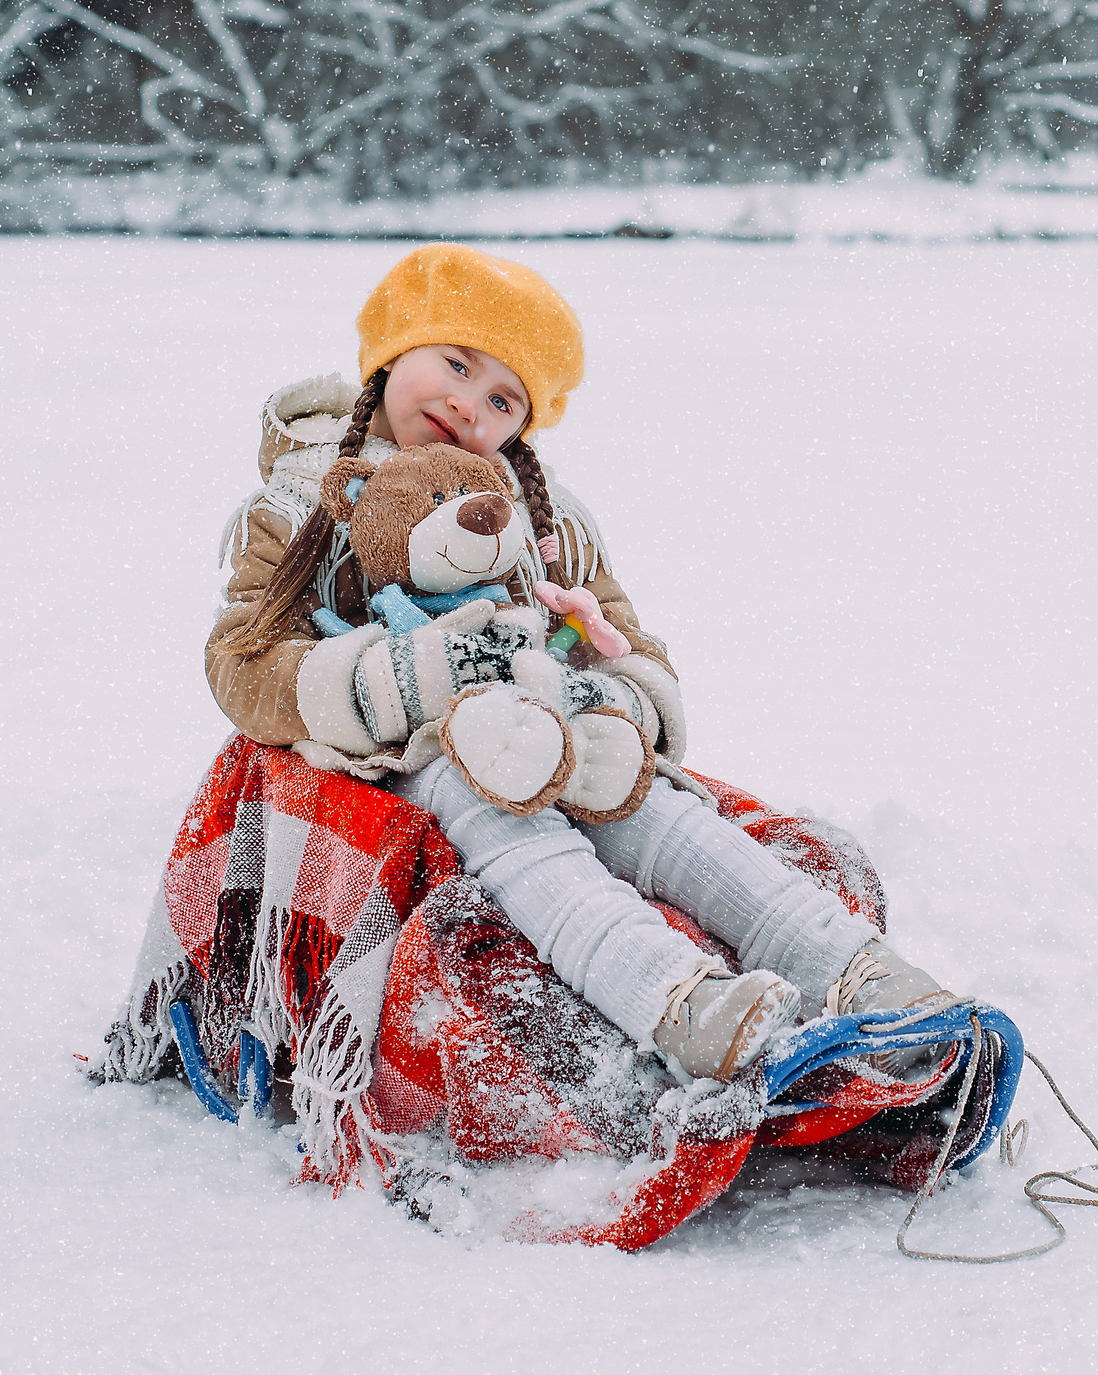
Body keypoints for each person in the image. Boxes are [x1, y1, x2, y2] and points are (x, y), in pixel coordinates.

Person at [208, 243, 950, 1084]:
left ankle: (850, 963)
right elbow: (243, 662)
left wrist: (608, 710)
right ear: (392, 350)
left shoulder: (538, 518)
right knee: (502, 817)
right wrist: (404, 678)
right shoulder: (304, 496)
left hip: (543, 726)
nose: (467, 403)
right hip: (395, 761)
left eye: (503, 398)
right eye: (456, 362)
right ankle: (678, 1002)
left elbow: (626, 640)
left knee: (649, 808)